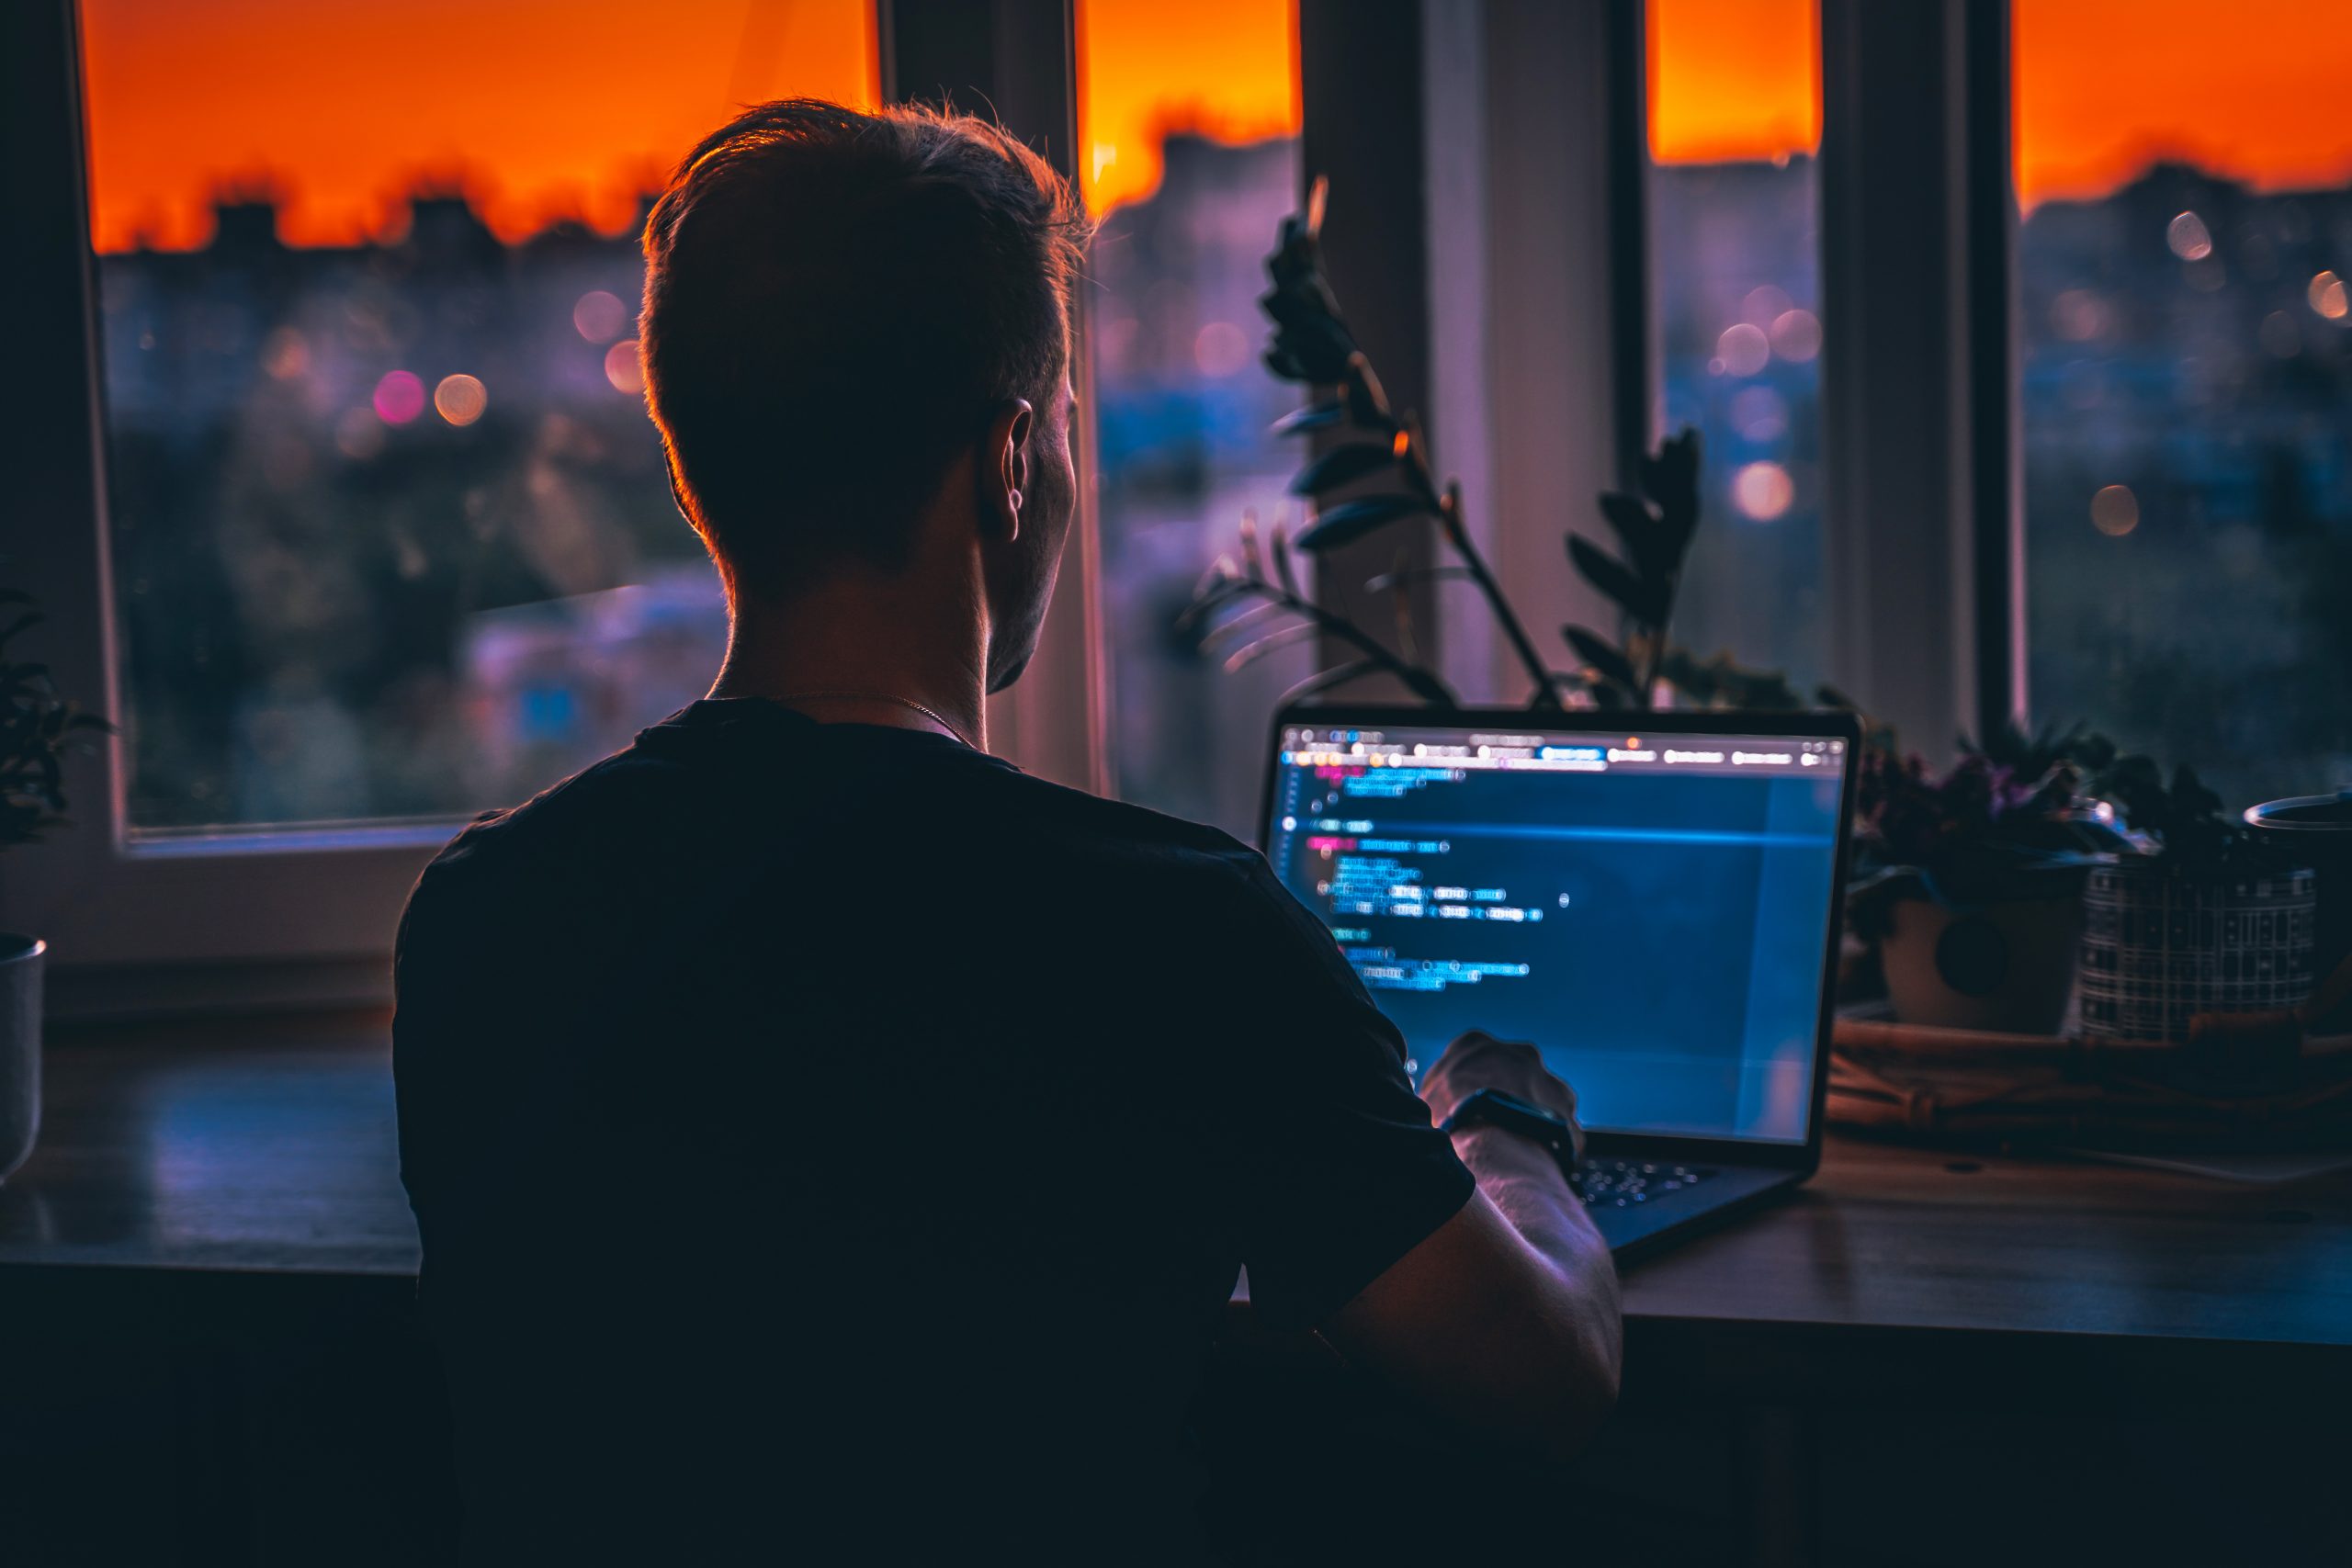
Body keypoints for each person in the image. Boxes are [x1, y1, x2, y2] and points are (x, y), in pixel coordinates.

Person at [392, 99, 1619, 1562]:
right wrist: (1508, 1131)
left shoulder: (485, 909)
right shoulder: (1176, 934)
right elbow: (1545, 1379)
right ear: (1014, 460)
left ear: (693, 462)